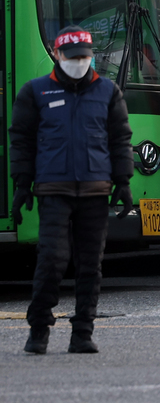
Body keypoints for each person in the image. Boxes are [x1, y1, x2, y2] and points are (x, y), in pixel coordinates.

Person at [9, 26, 134, 355]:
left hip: (95, 191)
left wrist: (123, 181)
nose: (79, 62)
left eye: (84, 56)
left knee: (90, 266)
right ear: (57, 54)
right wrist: (21, 184)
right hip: (53, 190)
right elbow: (21, 140)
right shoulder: (35, 92)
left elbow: (120, 139)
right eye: (73, 56)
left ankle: (83, 333)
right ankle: (39, 329)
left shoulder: (108, 92)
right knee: (52, 260)